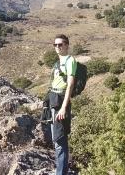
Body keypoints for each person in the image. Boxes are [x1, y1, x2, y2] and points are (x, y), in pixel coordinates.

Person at [47, 34, 76, 175]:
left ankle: (61, 172)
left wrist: (64, 107)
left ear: (67, 45)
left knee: (60, 139)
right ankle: (60, 170)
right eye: (55, 45)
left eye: (60, 44)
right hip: (54, 99)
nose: (57, 47)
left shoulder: (70, 60)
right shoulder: (59, 61)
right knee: (56, 138)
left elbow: (70, 84)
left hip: (60, 102)